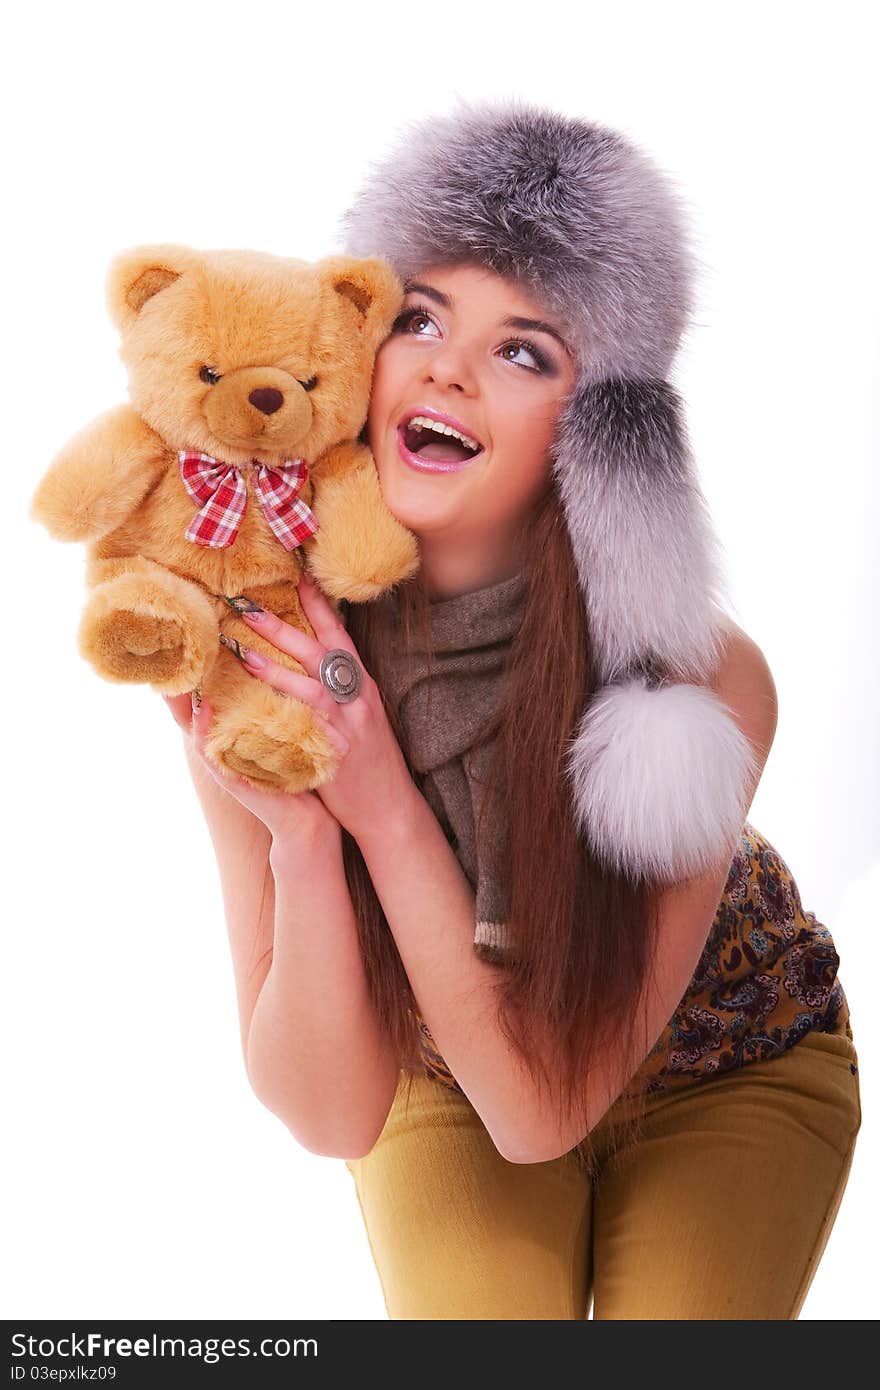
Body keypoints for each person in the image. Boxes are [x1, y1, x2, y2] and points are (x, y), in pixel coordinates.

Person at [164, 99, 861, 1319]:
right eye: (420, 318)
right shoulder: (269, 635)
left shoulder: (698, 682)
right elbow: (331, 1110)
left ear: (590, 437)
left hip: (727, 1068)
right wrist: (306, 838)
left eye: (522, 350)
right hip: (443, 1061)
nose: (443, 366)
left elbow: (544, 1111)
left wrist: (384, 808)